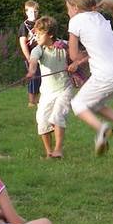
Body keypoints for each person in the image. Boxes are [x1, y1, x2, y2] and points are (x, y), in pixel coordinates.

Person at [65, 0, 113, 155]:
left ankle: (102, 129)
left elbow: (73, 55)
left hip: (105, 76)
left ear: (75, 7)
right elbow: (97, 48)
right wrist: (84, 57)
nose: (67, 11)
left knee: (78, 104)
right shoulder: (100, 17)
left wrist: (78, 59)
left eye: (67, 8)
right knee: (95, 105)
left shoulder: (75, 21)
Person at [26, 16, 74, 158]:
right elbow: (33, 62)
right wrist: (31, 72)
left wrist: (75, 63)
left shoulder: (64, 46)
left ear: (50, 34)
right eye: (36, 34)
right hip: (47, 92)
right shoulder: (38, 49)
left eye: (40, 34)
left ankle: (58, 150)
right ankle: (49, 153)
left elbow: (81, 55)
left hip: (64, 89)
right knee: (42, 120)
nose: (37, 36)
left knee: (57, 115)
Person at [18, 0, 42, 108]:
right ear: (26, 12)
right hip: (30, 55)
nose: (34, 14)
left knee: (41, 77)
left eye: (36, 12)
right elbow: (23, 43)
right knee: (33, 76)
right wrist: (28, 57)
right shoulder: (24, 26)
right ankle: (31, 101)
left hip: (41, 54)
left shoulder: (41, 23)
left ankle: (39, 100)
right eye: (32, 12)